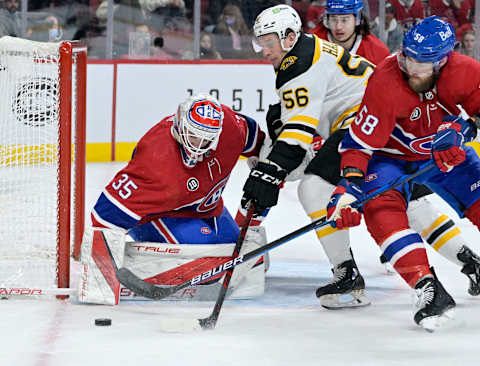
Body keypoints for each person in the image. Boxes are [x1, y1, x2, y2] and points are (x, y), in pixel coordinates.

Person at [328, 16, 480, 330]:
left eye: (420, 63)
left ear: (442, 62)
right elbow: (359, 144)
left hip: (441, 156)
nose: (410, 67)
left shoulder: (465, 71)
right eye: (407, 57)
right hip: (391, 158)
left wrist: (462, 130)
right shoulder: (385, 80)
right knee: (379, 208)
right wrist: (348, 186)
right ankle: (428, 287)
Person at [242, 3, 375, 309]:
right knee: (412, 198)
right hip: (364, 122)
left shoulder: (298, 63)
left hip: (365, 124)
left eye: (268, 42)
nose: (263, 50)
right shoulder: (303, 48)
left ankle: (347, 272)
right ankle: (469, 262)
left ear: (289, 38)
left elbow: (299, 134)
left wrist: (269, 172)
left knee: (313, 188)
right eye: (259, 42)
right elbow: (300, 119)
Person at [79, 94, 266, 305]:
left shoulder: (231, 128)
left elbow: (260, 141)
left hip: (205, 206)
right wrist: (100, 266)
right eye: (194, 136)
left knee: (245, 259)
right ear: (180, 123)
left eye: (206, 138)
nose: (199, 145)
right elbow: (103, 214)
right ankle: (150, 263)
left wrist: (273, 163)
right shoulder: (155, 161)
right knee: (213, 268)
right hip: (161, 215)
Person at [310, 0, 390, 65]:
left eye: (345, 20)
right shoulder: (311, 43)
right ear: (326, 20)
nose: (338, 27)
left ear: (357, 20)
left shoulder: (377, 52)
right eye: (334, 19)